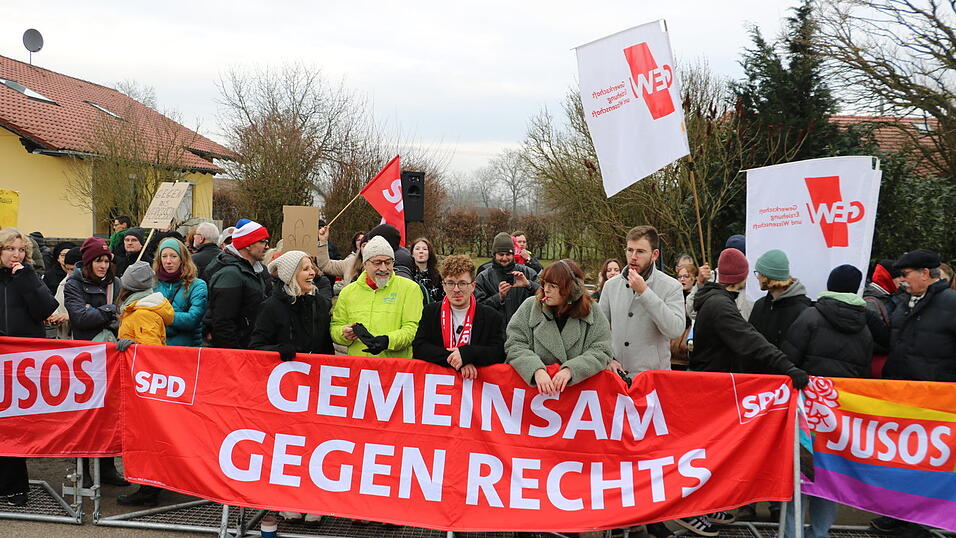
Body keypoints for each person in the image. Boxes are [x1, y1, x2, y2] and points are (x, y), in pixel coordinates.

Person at [686, 247, 808, 536]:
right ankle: (694, 509)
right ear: (741, 277)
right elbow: (750, 340)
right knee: (706, 454)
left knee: (714, 453)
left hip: (718, 390)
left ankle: (709, 504)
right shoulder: (720, 306)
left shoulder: (717, 300)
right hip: (711, 392)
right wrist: (788, 367)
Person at [779, 265, 873, 538]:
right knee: (831, 478)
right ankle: (819, 533)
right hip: (840, 420)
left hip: (805, 415)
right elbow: (863, 376)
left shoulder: (809, 318)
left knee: (799, 475)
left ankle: (790, 533)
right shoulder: (864, 329)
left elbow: (788, 363)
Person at [62, 237, 130, 487]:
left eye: (106, 261)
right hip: (84, 358)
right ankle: (83, 470)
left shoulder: (117, 282)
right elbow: (79, 318)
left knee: (109, 414)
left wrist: (100, 312)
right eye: (98, 261)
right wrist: (107, 311)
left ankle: (107, 467)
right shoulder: (74, 283)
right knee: (84, 416)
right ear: (88, 262)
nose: (103, 265)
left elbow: (121, 317)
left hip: (110, 356)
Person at [0, 228, 59, 507]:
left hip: (22, 364)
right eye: (10, 249)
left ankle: (15, 487)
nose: (16, 254)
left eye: (21, 250)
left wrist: (26, 278)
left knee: (14, 427)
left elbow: (45, 308)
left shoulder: (29, 276)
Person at [113, 261, 173, 507]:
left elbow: (152, 354)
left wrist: (133, 347)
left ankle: (149, 489)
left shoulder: (143, 312)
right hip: (141, 383)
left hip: (143, 385)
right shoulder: (140, 307)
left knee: (146, 437)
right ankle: (150, 485)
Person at [505, 259, 612, 394]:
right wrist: (535, 369)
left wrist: (572, 370)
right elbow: (515, 344)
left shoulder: (593, 311)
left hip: (578, 396)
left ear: (572, 289)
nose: (546, 290)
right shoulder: (530, 307)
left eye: (553, 286)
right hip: (534, 396)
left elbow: (602, 350)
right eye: (544, 284)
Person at [598, 225, 685, 376]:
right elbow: (598, 332)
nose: (633, 257)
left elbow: (675, 330)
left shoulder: (672, 286)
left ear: (655, 255)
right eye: (630, 250)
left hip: (654, 380)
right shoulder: (610, 285)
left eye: (640, 251)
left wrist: (645, 292)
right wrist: (608, 358)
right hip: (617, 378)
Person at [330, 236, 423, 358]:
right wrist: (343, 333)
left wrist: (388, 341)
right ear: (365, 264)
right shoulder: (348, 292)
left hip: (395, 369)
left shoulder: (410, 289)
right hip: (359, 368)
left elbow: (413, 329)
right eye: (377, 263)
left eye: (388, 262)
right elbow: (335, 327)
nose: (384, 268)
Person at [413, 254, 505, 375]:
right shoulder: (431, 311)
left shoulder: (491, 316)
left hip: (475, 387)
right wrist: (456, 359)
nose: (456, 290)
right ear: (443, 286)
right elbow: (419, 348)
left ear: (473, 286)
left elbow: (498, 352)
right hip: (440, 387)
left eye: (462, 283)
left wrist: (468, 354)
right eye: (450, 283)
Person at [882, 249, 956, 382]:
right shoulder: (903, 303)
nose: (902, 279)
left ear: (924, 273)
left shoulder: (952, 303)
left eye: (905, 274)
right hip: (898, 389)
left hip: (934, 394)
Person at [251, 250, 334, 360]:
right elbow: (256, 347)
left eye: (311, 267)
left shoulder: (319, 303)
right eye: (305, 269)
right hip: (284, 373)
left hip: (314, 372)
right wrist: (278, 350)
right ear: (291, 275)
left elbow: (327, 347)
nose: (313, 273)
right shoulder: (271, 307)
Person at [204, 220, 269, 349]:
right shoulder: (231, 275)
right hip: (237, 353)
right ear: (248, 245)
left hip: (248, 348)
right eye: (262, 241)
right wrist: (236, 354)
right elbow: (223, 323)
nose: (267, 246)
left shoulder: (254, 270)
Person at [474, 232, 539, 328]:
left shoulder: (528, 273)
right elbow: (477, 308)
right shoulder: (483, 277)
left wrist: (529, 284)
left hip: (523, 331)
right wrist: (499, 297)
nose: (504, 258)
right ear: (494, 255)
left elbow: (544, 297)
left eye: (508, 254)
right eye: (501, 254)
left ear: (513, 254)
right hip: (494, 331)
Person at [153, 238, 208, 347]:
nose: (168, 261)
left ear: (182, 259)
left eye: (173, 256)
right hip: (157, 349)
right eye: (164, 256)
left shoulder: (197, 285)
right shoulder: (152, 284)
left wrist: (162, 315)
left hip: (187, 350)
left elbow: (193, 319)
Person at [862, 260, 901, 377]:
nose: (903, 280)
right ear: (887, 278)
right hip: (876, 362)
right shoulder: (871, 302)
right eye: (899, 277)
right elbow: (871, 338)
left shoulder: (889, 297)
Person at [670, 262, 698, 369]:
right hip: (672, 348)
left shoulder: (697, 297)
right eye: (680, 276)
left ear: (693, 278)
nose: (682, 279)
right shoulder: (672, 296)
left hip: (688, 348)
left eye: (686, 276)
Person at [49, 247, 82, 339]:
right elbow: (57, 307)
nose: (69, 273)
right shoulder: (63, 283)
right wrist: (55, 319)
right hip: (64, 340)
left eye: (72, 269)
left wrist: (69, 316)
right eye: (67, 269)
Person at [410, 237, 443, 302]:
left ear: (429, 253)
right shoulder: (409, 274)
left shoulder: (438, 276)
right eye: (417, 249)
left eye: (425, 249)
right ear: (412, 254)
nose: (421, 251)